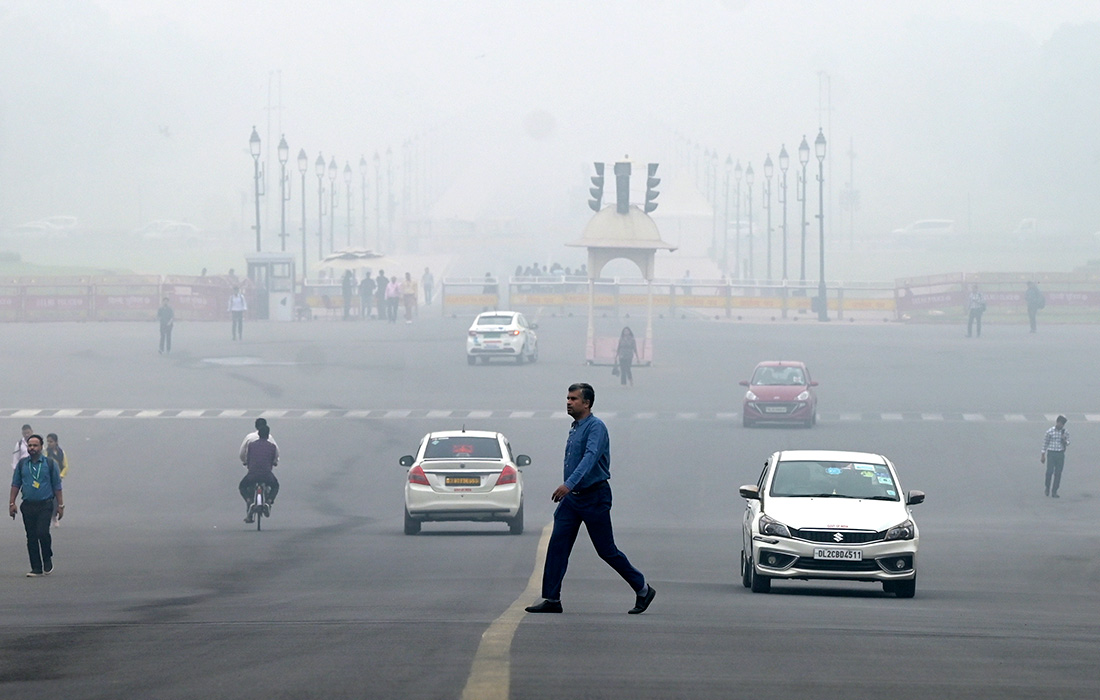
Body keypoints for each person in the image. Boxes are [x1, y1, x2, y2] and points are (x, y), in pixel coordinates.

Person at [525, 383, 655, 615]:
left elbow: (590, 458)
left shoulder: (596, 427)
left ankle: (643, 588)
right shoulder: (575, 427)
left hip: (594, 496)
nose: (568, 402)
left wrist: (568, 484)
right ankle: (552, 599)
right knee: (557, 546)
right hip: (572, 501)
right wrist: (569, 490)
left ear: (587, 403)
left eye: (573, 399)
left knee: (606, 550)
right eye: (567, 398)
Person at [9, 434, 64, 576]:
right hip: (28, 505)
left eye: (35, 445)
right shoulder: (22, 464)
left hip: (45, 504)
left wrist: (60, 505)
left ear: (41, 447)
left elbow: (57, 486)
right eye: (30, 445)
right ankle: (36, 567)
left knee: (42, 532)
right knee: (31, 537)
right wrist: (12, 503)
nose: (32, 448)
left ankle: (47, 557)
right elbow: (15, 484)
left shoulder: (49, 464)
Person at [239, 424, 279, 523]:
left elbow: (247, 458)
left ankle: (249, 500)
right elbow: (275, 459)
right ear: (268, 435)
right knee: (275, 486)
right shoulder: (272, 446)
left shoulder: (251, 445)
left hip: (252, 474)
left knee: (242, 486)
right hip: (267, 475)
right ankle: (269, 501)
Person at [1041, 415, 1070, 498]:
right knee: (1049, 471)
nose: (1060, 425)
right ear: (1057, 422)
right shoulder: (1050, 431)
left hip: (1060, 454)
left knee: (1058, 473)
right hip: (1051, 453)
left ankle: (1054, 491)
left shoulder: (1065, 432)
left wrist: (1064, 440)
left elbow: (1068, 443)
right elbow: (1045, 443)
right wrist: (1043, 455)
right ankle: (1047, 487)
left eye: (1062, 424)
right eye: (1060, 423)